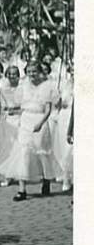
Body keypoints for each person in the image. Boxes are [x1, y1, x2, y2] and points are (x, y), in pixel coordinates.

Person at [0, 62, 61, 200]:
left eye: (34, 71)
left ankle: (46, 181)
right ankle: (22, 189)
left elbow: (48, 110)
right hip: (25, 121)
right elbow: (21, 105)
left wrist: (40, 124)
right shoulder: (23, 87)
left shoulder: (47, 87)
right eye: (29, 72)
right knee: (23, 152)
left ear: (39, 72)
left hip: (40, 121)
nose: (32, 74)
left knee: (41, 153)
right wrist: (10, 109)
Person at [52, 63, 73, 191]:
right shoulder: (65, 83)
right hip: (65, 116)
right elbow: (58, 101)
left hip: (77, 114)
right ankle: (66, 176)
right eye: (72, 70)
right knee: (64, 147)